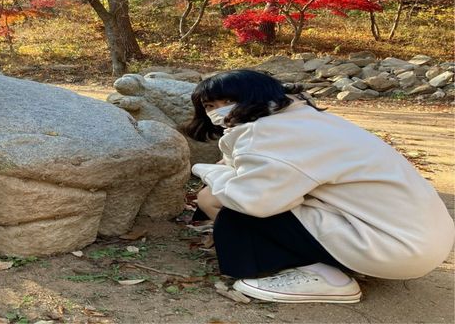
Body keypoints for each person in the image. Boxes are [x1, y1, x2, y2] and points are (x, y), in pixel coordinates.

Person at [182, 69, 454, 303]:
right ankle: (340, 259)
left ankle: (321, 275)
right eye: (210, 106)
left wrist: (204, 171)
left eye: (228, 101)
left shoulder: (267, 132)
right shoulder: (304, 120)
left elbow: (253, 200)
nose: (220, 111)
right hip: (417, 239)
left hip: (397, 247)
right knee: (225, 195)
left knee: (230, 207)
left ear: (257, 95)